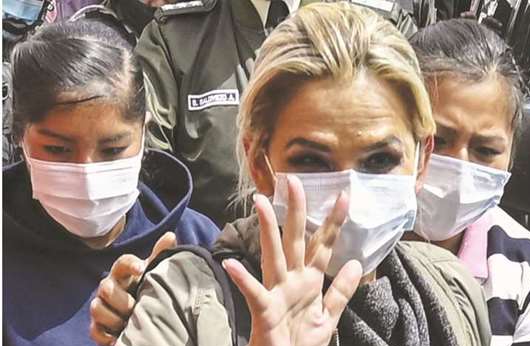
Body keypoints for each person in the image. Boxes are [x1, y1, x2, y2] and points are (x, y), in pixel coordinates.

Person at [103, 3, 490, 346]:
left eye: (380, 160)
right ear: (260, 164)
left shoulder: (452, 292)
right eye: (311, 160)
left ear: (421, 161)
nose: (347, 199)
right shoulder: (183, 307)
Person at [2, 20, 220, 346]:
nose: (87, 174)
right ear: (21, 136)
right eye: (58, 150)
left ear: (144, 132)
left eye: (113, 150)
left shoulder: (198, 241)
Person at [137, 0, 420, 227]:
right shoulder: (175, 39)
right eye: (310, 159)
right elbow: (151, 178)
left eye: (378, 160)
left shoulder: (382, 28)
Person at [409, 19, 530, 346]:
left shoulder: (529, 269)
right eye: (437, 141)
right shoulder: (350, 244)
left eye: (485, 150)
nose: (461, 165)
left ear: (511, 156)